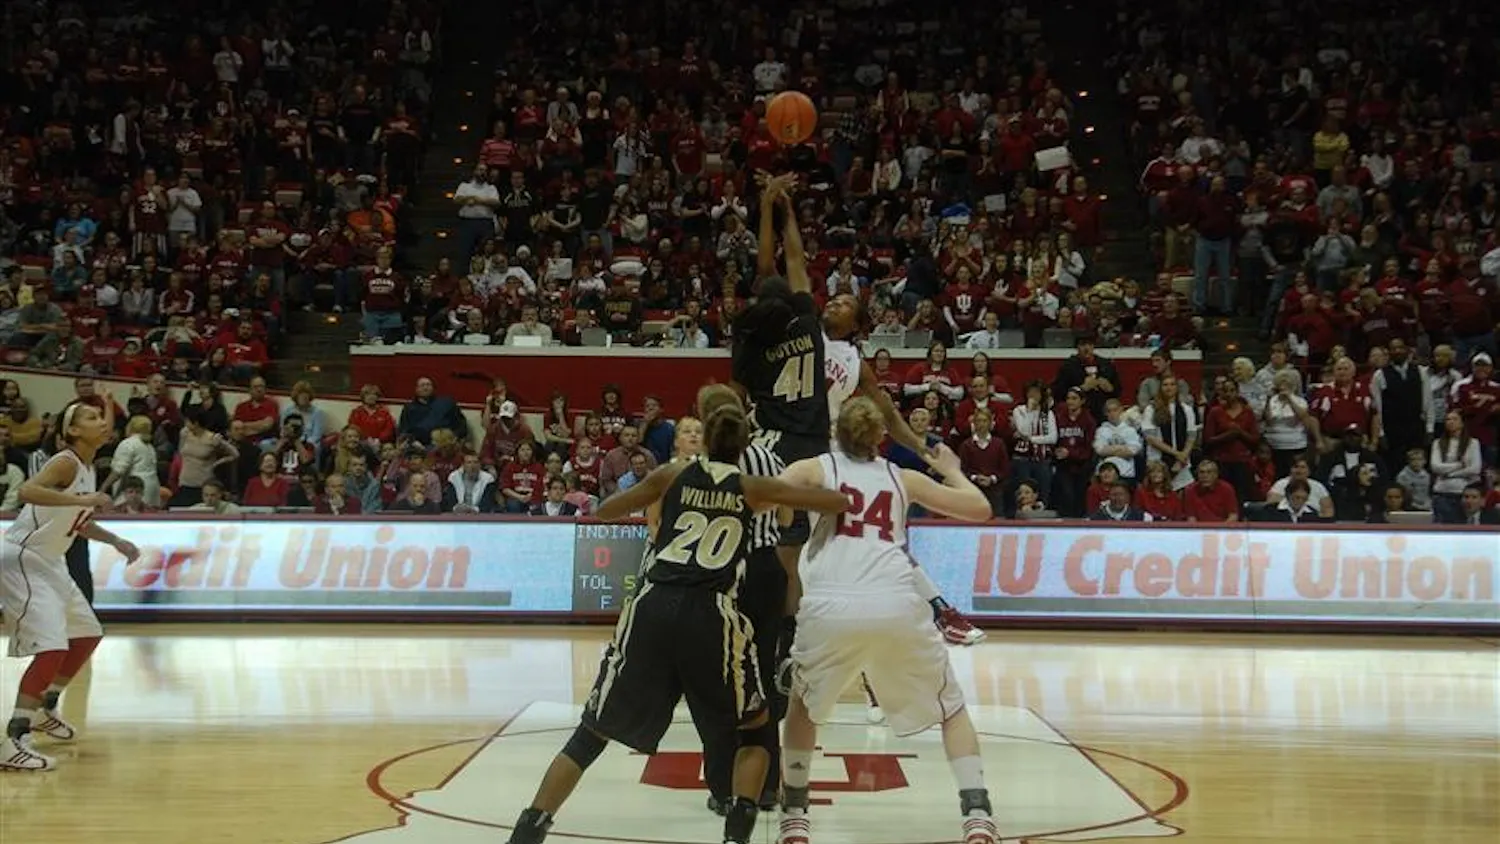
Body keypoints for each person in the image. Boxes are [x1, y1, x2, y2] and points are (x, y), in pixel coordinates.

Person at [503, 386, 850, 844]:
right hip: (712, 614)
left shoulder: (671, 475)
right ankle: (736, 833)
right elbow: (835, 504)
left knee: (590, 734)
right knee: (755, 727)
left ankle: (529, 829)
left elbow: (605, 512)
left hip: (653, 605)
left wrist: (662, 501)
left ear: (703, 438)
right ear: (744, 446)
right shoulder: (752, 487)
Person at [775, 397, 1002, 844]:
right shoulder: (904, 477)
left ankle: (795, 814)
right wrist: (951, 467)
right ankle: (977, 814)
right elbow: (979, 508)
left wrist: (789, 515)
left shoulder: (818, 468)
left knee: (802, 705)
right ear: (881, 437)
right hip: (896, 600)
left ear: (836, 433)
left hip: (831, 604)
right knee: (951, 710)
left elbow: (774, 492)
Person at [1, 401, 140, 771]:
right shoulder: (65, 461)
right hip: (23, 558)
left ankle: (44, 707)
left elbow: (74, 519)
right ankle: (14, 739)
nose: (101, 422)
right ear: (74, 431)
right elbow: (28, 492)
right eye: (91, 418)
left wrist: (114, 540)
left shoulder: (88, 468)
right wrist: (82, 500)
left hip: (51, 561)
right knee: (50, 647)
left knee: (87, 635)